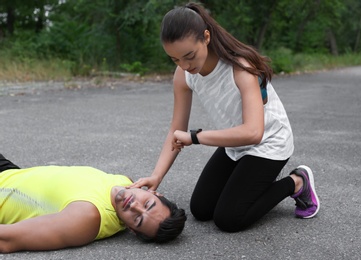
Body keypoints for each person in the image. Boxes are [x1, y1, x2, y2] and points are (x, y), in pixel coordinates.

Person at [131, 2, 320, 233]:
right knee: (201, 210)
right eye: (175, 59)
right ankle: (253, 180)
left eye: (189, 56)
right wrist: (156, 176)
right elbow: (176, 130)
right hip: (235, 144)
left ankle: (297, 182)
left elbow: (254, 132)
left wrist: (196, 137)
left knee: (229, 218)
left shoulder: (240, 67)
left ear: (206, 37)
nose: (184, 65)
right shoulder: (183, 74)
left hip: (269, 144)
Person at [0, 153, 186, 253]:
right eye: (148, 204)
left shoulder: (87, 217)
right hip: (9, 173)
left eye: (137, 219)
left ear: (131, 229)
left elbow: (7, 240)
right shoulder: (124, 182)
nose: (134, 206)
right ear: (154, 192)